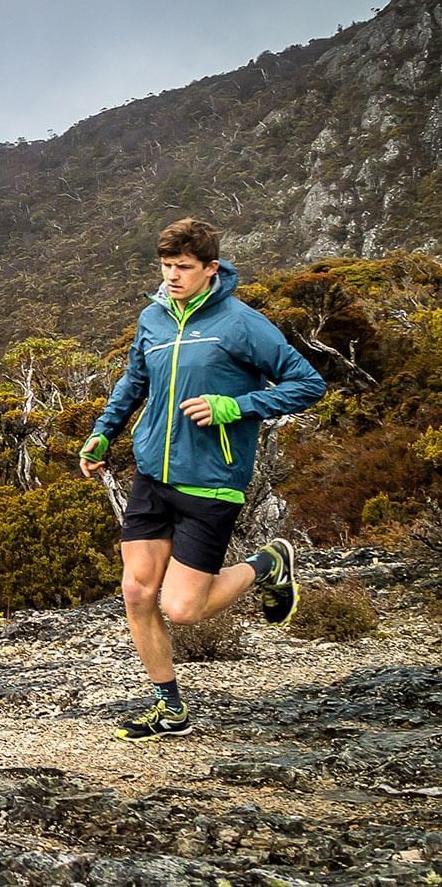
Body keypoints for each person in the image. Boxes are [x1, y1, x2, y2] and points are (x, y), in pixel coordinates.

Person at [80, 217, 326, 742]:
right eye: (166, 266)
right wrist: (104, 433)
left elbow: (308, 383)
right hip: (152, 473)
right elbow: (134, 381)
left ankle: (269, 563)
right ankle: (169, 708)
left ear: (211, 269)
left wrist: (234, 406)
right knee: (137, 592)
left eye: (183, 268)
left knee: (183, 608)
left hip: (210, 481)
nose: (171, 276)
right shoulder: (153, 318)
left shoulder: (241, 324)